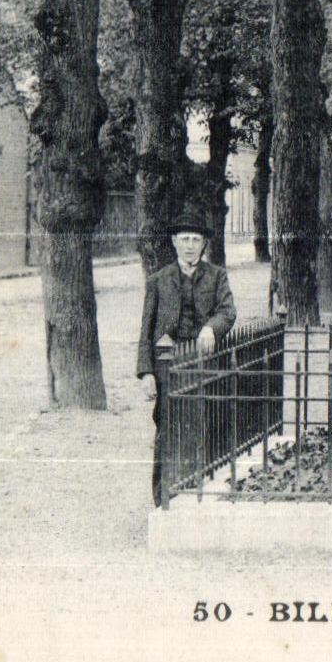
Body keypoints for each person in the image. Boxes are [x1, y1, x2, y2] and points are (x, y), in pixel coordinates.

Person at [137, 206, 237, 505]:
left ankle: (199, 494)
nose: (190, 245)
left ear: (204, 243)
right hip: (168, 363)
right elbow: (146, 329)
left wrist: (211, 328)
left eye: (196, 239)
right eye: (185, 239)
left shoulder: (217, 276)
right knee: (167, 429)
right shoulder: (158, 280)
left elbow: (228, 311)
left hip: (203, 361)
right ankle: (162, 498)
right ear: (174, 242)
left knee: (205, 424)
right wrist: (146, 373)